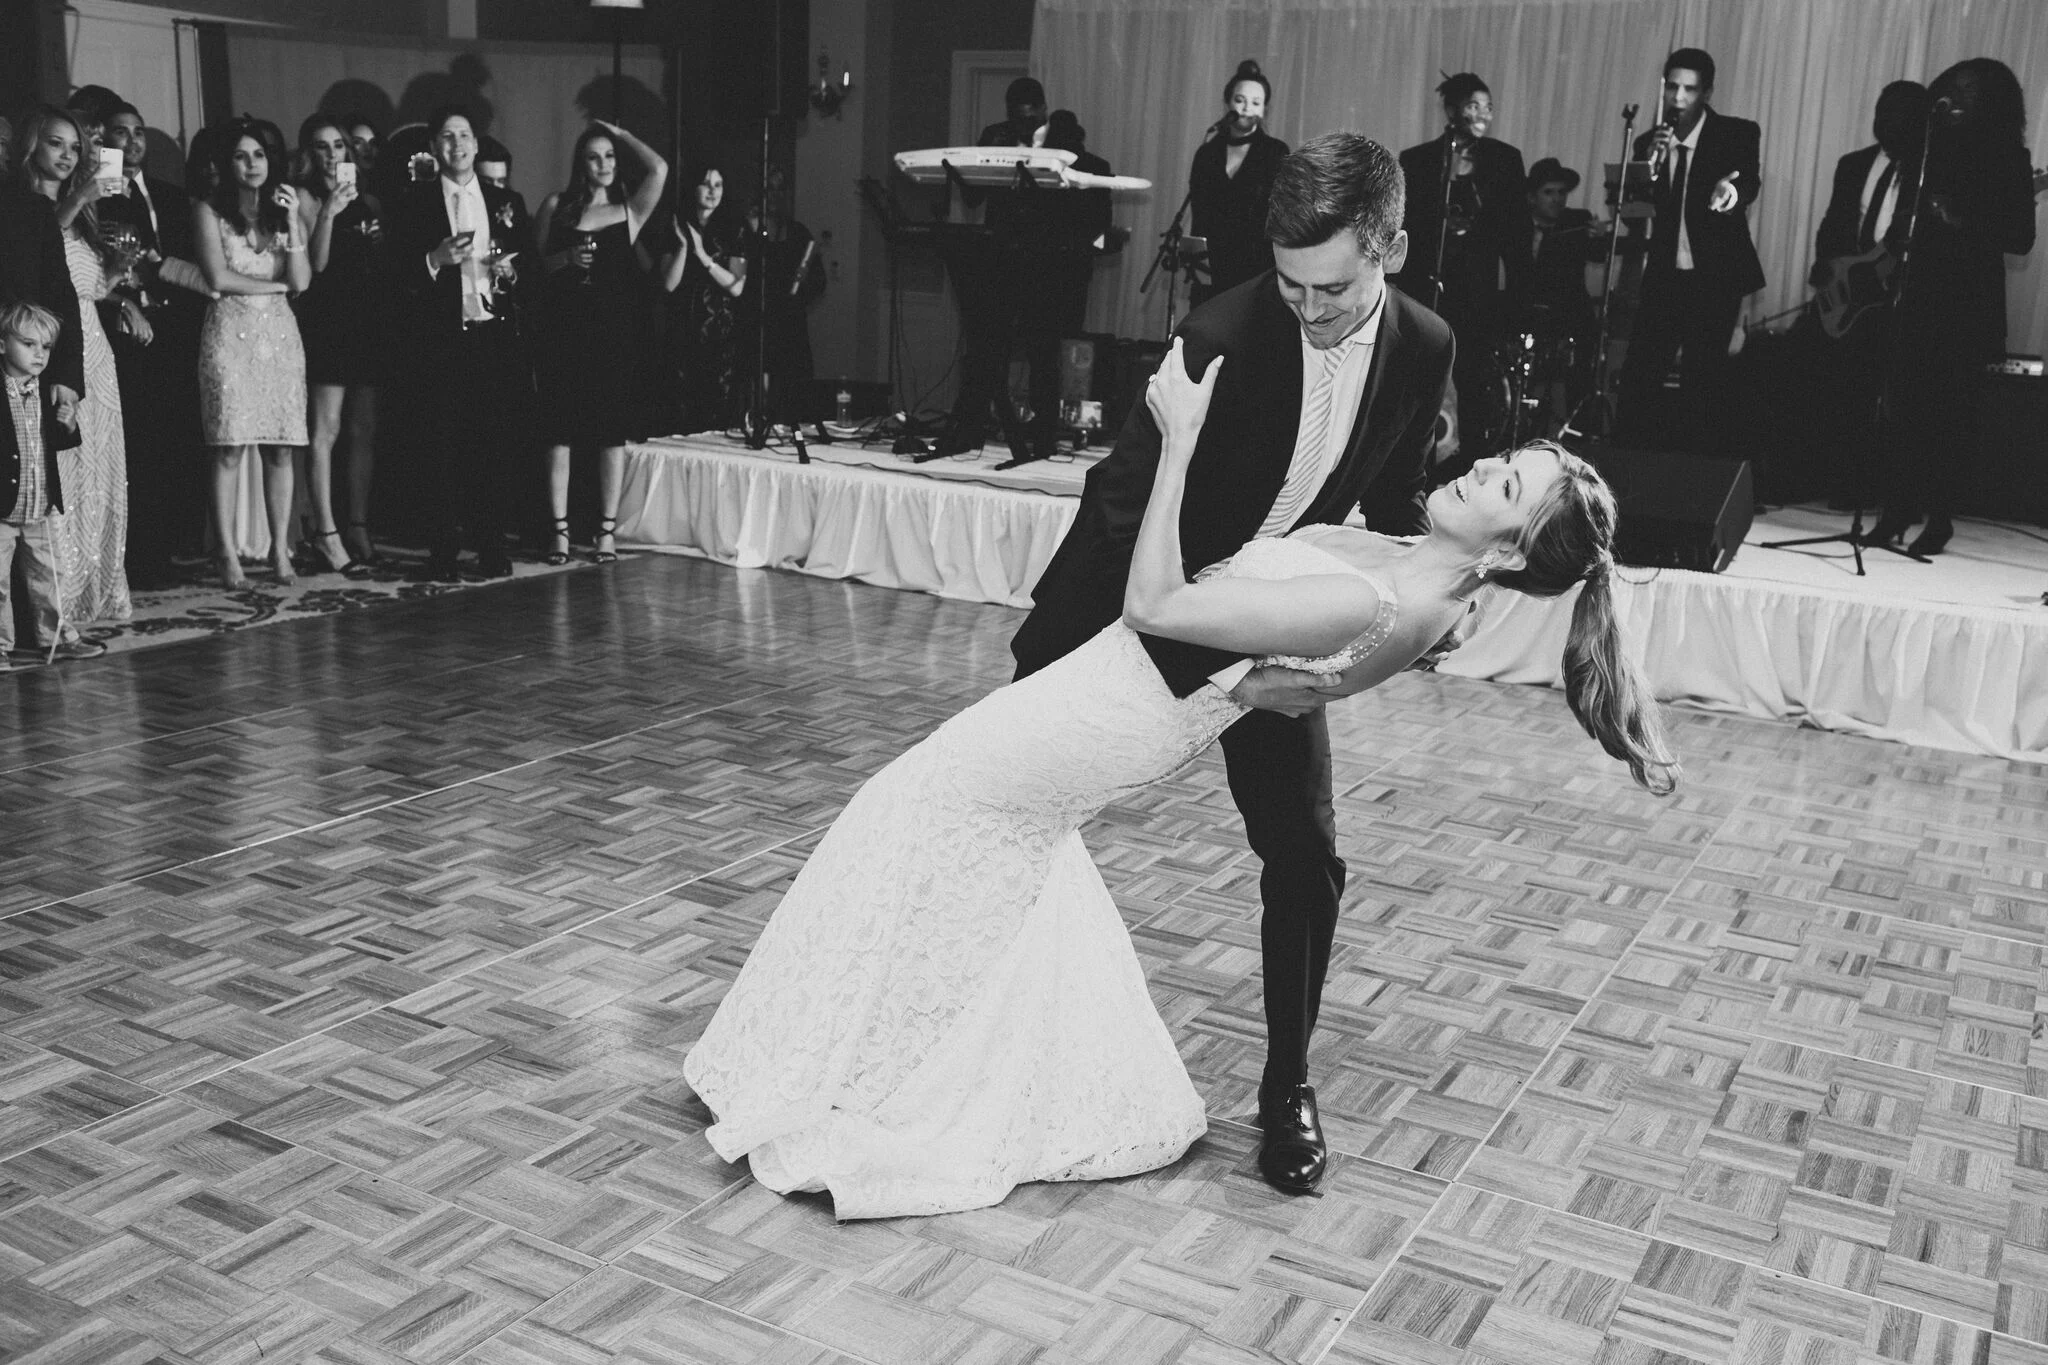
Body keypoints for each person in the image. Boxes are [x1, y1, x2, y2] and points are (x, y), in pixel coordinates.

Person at [684, 323, 1676, 1219]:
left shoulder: (1378, 601)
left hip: (1127, 699)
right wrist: (1271, 678)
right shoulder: (1422, 579)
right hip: (1128, 687)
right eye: (1504, 459)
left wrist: (1179, 439)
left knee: (912, 802)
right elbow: (1306, 641)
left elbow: (1156, 607)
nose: (1479, 466)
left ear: (1507, 553)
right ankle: (901, 1057)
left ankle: (854, 1071)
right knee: (982, 837)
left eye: (1503, 486)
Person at [1013, 132, 1460, 1196]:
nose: (1306, 309)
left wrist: (1415, 600)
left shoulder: (1426, 344)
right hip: (1120, 613)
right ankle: (1002, 1050)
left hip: (1264, 610)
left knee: (1305, 854)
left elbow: (1393, 493)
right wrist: (1211, 671)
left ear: (1392, 248)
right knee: (1020, 822)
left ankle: (1286, 1086)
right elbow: (1119, 521)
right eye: (1290, 284)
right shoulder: (1219, 332)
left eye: (1332, 289)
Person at [1863, 60, 2037, 557]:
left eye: (1970, 90)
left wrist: (1960, 218)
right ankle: (1896, 512)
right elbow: (1906, 220)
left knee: (1949, 417)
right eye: (1954, 87)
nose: (1958, 96)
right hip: (1919, 296)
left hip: (1967, 304)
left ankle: (1939, 520)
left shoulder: (2008, 157)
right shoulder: (1929, 150)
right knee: (1904, 410)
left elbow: (2020, 237)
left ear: (1992, 101)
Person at [387, 105, 536, 581]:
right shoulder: (414, 202)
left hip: (492, 336)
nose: (458, 145)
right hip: (440, 340)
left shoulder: (506, 200)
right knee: (441, 449)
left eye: (465, 135)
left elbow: (529, 266)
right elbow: (395, 275)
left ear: (476, 143)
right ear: (434, 147)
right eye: (448, 137)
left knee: (492, 447)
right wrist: (434, 259)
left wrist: (511, 273)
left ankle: (492, 547)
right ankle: (443, 553)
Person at [17, 105, 132, 628]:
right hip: (53, 345)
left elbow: (88, 288)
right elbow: (36, 257)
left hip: (96, 351)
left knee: (98, 470)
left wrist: (118, 274)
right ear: (32, 146)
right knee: (60, 470)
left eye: (73, 147)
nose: (66, 155)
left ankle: (94, 587)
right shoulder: (27, 207)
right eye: (55, 143)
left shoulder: (78, 212)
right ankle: (54, 603)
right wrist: (82, 196)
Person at [1615, 48, 1765, 449]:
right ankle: (1630, 465)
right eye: (1672, 87)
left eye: (1690, 89)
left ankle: (1698, 470)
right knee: (1640, 376)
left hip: (1715, 278)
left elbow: (1748, 182)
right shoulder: (1649, 143)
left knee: (1705, 381)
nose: (1678, 98)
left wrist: (1731, 192)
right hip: (1665, 277)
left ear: (1707, 93)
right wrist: (1648, 168)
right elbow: (1633, 214)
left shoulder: (1735, 133)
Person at [534, 119, 666, 565]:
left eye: (610, 156)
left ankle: (606, 532)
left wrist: (623, 136)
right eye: (594, 157)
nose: (603, 164)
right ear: (581, 164)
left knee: (611, 436)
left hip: (612, 337)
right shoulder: (557, 205)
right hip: (563, 333)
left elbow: (660, 169)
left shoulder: (630, 210)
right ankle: (559, 532)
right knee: (559, 435)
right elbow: (534, 267)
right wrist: (566, 258)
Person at [97, 100, 211, 589]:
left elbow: (188, 261)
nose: (132, 140)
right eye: (121, 132)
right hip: (124, 328)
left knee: (174, 439)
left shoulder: (170, 196)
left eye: (138, 131)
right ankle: (139, 556)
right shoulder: (98, 196)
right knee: (139, 444)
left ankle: (173, 543)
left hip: (176, 327)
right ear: (104, 140)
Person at [195, 116, 311, 589]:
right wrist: (275, 287)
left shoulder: (285, 208)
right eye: (241, 156)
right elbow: (217, 278)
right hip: (230, 334)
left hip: (280, 338)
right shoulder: (209, 211)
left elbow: (302, 281)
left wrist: (293, 221)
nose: (252, 164)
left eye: (259, 155)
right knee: (229, 446)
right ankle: (227, 554)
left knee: (281, 446)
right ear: (228, 163)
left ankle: (279, 549)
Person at [1806, 81, 1929, 511]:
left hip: (1898, 300)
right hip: (1848, 295)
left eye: (1897, 113)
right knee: (1830, 386)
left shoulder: (1928, 172)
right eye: (1881, 110)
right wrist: (1827, 267)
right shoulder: (1853, 164)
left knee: (1887, 395)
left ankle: (1876, 488)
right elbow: (1833, 222)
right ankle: (1821, 477)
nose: (1885, 120)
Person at [1397, 74, 1525, 459]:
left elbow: (1518, 235)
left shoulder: (1504, 160)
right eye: (1473, 106)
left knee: (1473, 379)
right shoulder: (1418, 160)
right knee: (1419, 380)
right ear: (1452, 111)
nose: (1483, 115)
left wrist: (1517, 297)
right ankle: (1412, 461)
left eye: (1488, 107)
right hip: (1426, 289)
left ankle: (1471, 461)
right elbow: (1406, 228)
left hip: (1476, 293)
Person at [292, 114, 386, 577]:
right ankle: (326, 531)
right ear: (310, 154)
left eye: (339, 146)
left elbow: (379, 263)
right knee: (324, 431)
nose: (332, 155)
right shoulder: (304, 198)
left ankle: (358, 525)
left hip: (366, 321)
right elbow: (317, 265)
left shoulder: (368, 201)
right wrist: (329, 211)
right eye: (322, 147)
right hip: (326, 320)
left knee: (363, 430)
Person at [1, 302, 100, 665]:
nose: (39, 354)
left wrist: (69, 424)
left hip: (40, 505)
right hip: (3, 508)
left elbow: (60, 442)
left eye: (45, 347)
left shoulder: (47, 391)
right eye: (28, 344)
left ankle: (54, 639)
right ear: (2, 345)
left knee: (49, 576)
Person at [1503, 158, 1606, 436]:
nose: (1557, 199)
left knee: (1576, 367)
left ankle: (1570, 430)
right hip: (1523, 315)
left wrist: (1599, 237)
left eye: (1562, 192)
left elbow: (1598, 254)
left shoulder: (1577, 221)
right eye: (1549, 192)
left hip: (1568, 317)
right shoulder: (1515, 224)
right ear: (1531, 197)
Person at [1188, 59, 1291, 305]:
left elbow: (1281, 218)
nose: (1246, 109)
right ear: (1228, 103)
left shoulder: (1275, 152)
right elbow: (1199, 216)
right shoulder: (1207, 153)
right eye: (1240, 100)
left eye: (1256, 103)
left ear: (1264, 110)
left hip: (1255, 272)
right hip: (1211, 272)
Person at [659, 164, 746, 435]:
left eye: (718, 185)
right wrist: (685, 248)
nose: (712, 191)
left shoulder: (734, 227)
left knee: (718, 413)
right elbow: (668, 284)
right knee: (681, 414)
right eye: (706, 184)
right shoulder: (676, 224)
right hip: (682, 331)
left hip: (720, 334)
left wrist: (703, 256)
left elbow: (737, 287)